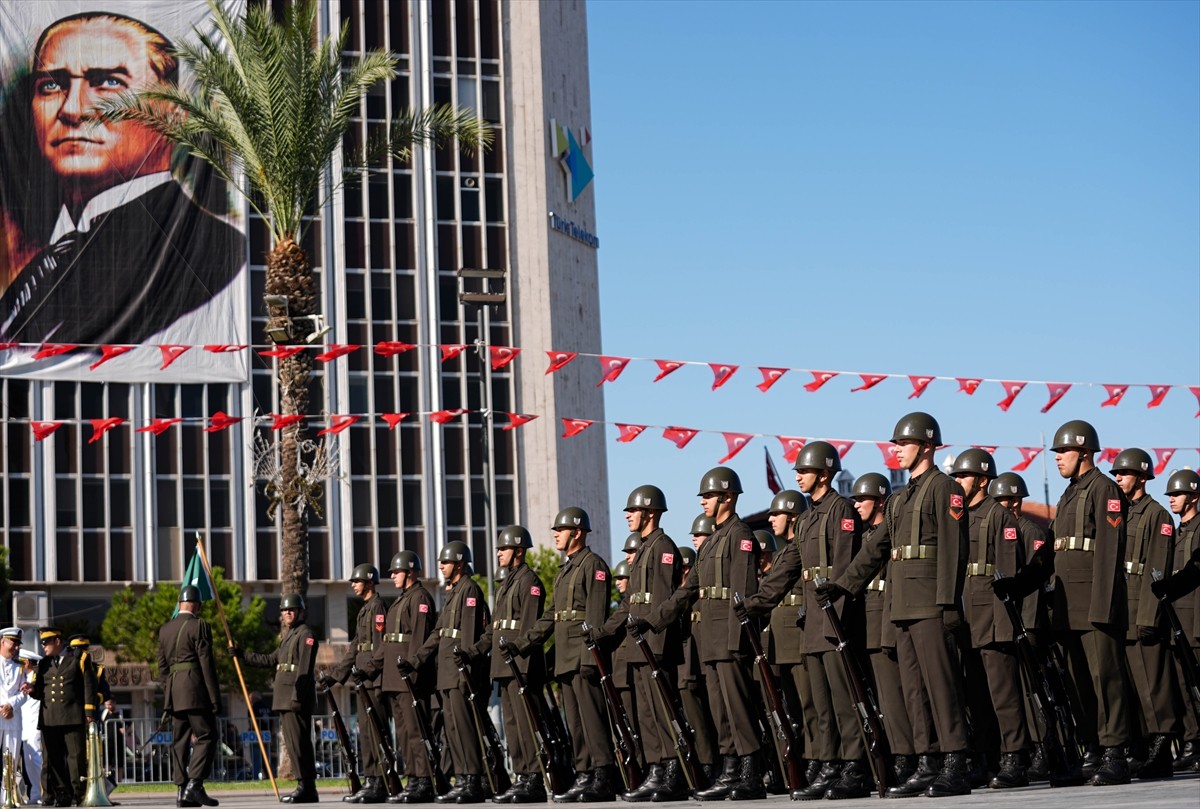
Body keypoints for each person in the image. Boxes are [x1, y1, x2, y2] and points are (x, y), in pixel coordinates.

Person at [0, 11, 245, 346]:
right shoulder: (44, 264)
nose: (72, 109)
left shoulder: (213, 251)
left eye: (108, 82)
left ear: (173, 115)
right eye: (52, 85)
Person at [819, 412, 972, 798]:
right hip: (902, 605)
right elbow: (875, 549)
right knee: (914, 691)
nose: (896, 450)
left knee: (941, 686)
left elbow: (954, 552)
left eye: (902, 444)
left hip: (932, 605)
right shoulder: (901, 498)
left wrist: (950, 603)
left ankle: (955, 761)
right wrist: (843, 586)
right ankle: (927, 760)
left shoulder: (946, 488)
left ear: (925, 445)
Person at [993, 419, 1131, 786]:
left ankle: (1116, 752)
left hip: (1096, 606)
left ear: (1084, 452)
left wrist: (1104, 608)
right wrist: (1019, 584)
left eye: (1063, 452)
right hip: (1069, 609)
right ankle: (1093, 750)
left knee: (1107, 681)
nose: (1057, 458)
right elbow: (1050, 555)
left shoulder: (1106, 490)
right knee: (1079, 684)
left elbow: (1109, 554)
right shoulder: (1070, 494)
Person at [742, 442, 867, 800]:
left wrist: (837, 609)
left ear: (824, 473)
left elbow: (844, 564)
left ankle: (853, 767)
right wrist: (758, 603)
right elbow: (785, 568)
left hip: (835, 619)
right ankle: (828, 765)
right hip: (813, 619)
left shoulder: (841, 510)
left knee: (843, 701)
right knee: (821, 705)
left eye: (803, 470)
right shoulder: (809, 517)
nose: (797, 475)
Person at [660, 467, 764, 801]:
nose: (703, 501)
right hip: (710, 640)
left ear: (727, 497)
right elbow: (689, 589)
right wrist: (655, 618)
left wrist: (737, 643)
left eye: (708, 496)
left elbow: (743, 594)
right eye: (703, 496)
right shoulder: (712, 541)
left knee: (738, 706)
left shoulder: (740, 534)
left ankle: (751, 774)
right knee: (720, 708)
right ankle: (730, 769)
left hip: (729, 638)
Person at [509, 507, 615, 802]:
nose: (555, 534)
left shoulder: (593, 565)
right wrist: (524, 643)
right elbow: (552, 616)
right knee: (576, 721)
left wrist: (590, 658)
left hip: (582, 655)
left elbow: (593, 618)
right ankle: (584, 773)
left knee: (591, 718)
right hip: (565, 656)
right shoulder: (566, 569)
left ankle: (603, 775)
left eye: (560, 529)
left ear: (577, 532)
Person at [592, 485, 686, 802]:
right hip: (638, 644)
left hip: (654, 644)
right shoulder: (645, 549)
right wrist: (603, 632)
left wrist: (651, 635)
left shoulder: (663, 547)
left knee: (661, 711)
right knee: (646, 715)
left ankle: (673, 772)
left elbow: (661, 601)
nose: (628, 516)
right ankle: (656, 770)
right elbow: (629, 605)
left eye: (632, 511)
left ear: (649, 512)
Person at [947, 448, 1030, 789]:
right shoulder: (958, 517)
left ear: (982, 480)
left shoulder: (999, 518)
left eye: (962, 477)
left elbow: (1009, 577)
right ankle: (987, 758)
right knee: (977, 696)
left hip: (993, 620)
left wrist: (1003, 625)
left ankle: (1015, 758)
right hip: (966, 620)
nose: (957, 483)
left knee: (1004, 694)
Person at [399, 542, 491, 804]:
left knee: (464, 727)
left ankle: (472, 780)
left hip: (461, 670)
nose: (441, 566)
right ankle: (462, 779)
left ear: (460, 564)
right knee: (452, 728)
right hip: (447, 671)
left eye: (445, 562)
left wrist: (468, 664)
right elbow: (437, 633)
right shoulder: (452, 593)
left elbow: (472, 634)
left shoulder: (470, 589)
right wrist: (415, 661)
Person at [1110, 448, 1181, 779]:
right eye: (1116, 474)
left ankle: (1161, 750)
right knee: (1133, 688)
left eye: (1123, 473)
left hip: (1143, 612)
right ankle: (1140, 748)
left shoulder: (1158, 516)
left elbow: (1158, 569)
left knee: (1154, 686)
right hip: (1121, 613)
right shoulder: (1119, 514)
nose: (1118, 478)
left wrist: (1149, 618)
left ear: (1141, 476)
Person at [464, 526, 549, 803]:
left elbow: (530, 627)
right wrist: (474, 652)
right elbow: (494, 630)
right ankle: (522, 775)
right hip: (504, 665)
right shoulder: (505, 586)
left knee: (525, 723)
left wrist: (518, 652)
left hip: (521, 665)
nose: (499, 553)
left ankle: (534, 779)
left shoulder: (530, 582)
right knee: (512, 725)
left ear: (519, 551)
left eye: (504, 548)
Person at [849, 473, 921, 788]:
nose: (856, 505)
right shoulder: (863, 539)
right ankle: (897, 756)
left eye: (862, 499)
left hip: (887, 621)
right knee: (880, 698)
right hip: (867, 622)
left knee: (895, 697)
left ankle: (907, 757)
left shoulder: (889, 535)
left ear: (879, 501)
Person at [235, 594, 320, 803]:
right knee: (292, 744)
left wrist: (296, 697)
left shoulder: (305, 634)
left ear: (300, 612)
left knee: (300, 744)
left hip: (295, 699)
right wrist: (241, 655)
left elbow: (305, 670)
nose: (288, 613)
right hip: (284, 700)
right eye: (284, 610)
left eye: (291, 609)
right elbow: (269, 660)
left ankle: (307, 786)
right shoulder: (288, 637)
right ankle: (303, 785)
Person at [321, 563, 389, 803]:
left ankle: (381, 781)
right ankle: (371, 779)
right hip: (363, 680)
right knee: (366, 735)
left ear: (369, 582)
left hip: (373, 681)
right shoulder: (364, 610)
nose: (353, 585)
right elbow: (354, 648)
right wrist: (337, 675)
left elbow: (381, 647)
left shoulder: (378, 607)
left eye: (356, 581)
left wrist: (367, 670)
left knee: (376, 732)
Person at [375, 551, 438, 804]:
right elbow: (389, 642)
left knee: (415, 731)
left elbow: (420, 639)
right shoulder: (401, 600)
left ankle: (424, 780)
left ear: (409, 571)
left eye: (395, 571)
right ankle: (412, 778)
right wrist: (372, 666)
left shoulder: (420, 598)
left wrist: (412, 668)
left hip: (409, 678)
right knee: (402, 732)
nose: (392, 576)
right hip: (394, 677)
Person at [1151, 468, 1200, 771]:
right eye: (1169, 495)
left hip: (1196, 619)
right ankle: (1193, 741)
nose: (1172, 500)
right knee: (1184, 684)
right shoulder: (1176, 532)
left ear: (1194, 496)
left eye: (1177, 494)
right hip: (1176, 622)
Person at [158, 586, 222, 807]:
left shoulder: (165, 629)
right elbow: (206, 663)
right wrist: (214, 697)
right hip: (195, 691)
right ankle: (194, 785)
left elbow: (162, 668)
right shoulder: (199, 626)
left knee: (180, 742)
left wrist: (170, 693)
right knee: (207, 736)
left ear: (179, 605)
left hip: (174, 694)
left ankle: (181, 791)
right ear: (198, 605)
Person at [25, 626, 96, 807]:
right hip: (50, 718)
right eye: (42, 643)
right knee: (54, 760)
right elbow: (40, 690)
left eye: (46, 642)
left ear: (57, 641)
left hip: (72, 716)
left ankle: (80, 794)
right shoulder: (43, 664)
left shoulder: (79, 657)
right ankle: (62, 794)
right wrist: (32, 689)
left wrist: (89, 712)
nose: (43, 646)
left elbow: (89, 685)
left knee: (76, 758)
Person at [0, 627, 27, 807]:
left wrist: (11, 705)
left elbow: (24, 693)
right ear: (2, 641)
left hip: (12, 718)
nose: (16, 647)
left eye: (18, 643)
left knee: (10, 761)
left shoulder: (20, 667)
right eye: (13, 642)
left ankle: (7, 798)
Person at [18, 648, 43, 806]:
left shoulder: (36, 677)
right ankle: (35, 793)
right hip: (24, 724)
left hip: (34, 723)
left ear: (27, 663)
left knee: (36, 758)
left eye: (20, 662)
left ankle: (45, 790)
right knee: (27, 760)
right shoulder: (21, 677)